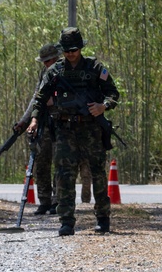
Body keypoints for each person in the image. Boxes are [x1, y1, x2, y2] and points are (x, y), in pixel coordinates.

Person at [26, 27, 119, 236]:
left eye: (74, 50)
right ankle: (66, 221)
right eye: (67, 50)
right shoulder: (54, 71)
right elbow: (40, 98)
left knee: (97, 173)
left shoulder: (95, 68)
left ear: (81, 48)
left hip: (91, 129)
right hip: (65, 130)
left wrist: (103, 106)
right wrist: (34, 119)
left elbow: (113, 93)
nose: (70, 54)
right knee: (64, 175)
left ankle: (103, 218)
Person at [15, 43, 62, 215]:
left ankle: (57, 201)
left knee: (60, 163)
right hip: (44, 123)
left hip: (62, 123)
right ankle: (44, 201)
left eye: (48, 60)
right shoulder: (44, 74)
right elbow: (36, 99)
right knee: (41, 163)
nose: (46, 64)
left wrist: (55, 102)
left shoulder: (65, 71)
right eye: (44, 61)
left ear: (56, 58)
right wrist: (24, 121)